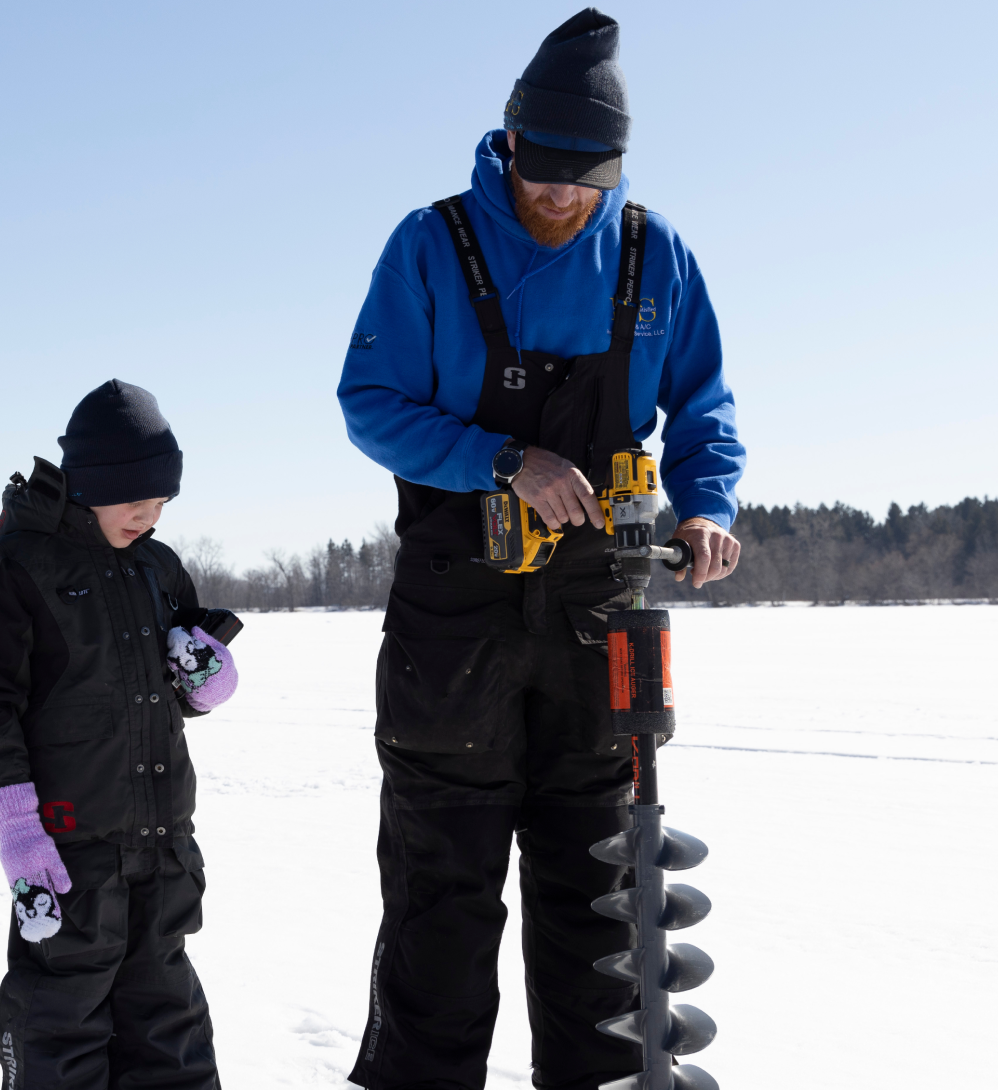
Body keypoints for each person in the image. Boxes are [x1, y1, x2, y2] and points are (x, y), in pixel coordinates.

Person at [335, 10, 746, 1089]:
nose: (559, 197)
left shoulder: (657, 257)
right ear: (509, 142)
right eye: (543, 171)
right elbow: (369, 403)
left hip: (597, 631)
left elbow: (704, 408)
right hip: (453, 626)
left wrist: (706, 504)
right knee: (441, 925)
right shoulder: (432, 244)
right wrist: (501, 459)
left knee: (600, 926)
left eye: (583, 178)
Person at [0, 379, 238, 1090]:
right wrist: (19, 828)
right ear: (86, 484)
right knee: (59, 1026)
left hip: (164, 844)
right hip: (70, 853)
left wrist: (208, 678)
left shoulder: (157, 566)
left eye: (162, 497)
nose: (150, 512)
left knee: (170, 1033)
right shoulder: (11, 569)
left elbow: (182, 680)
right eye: (133, 496)